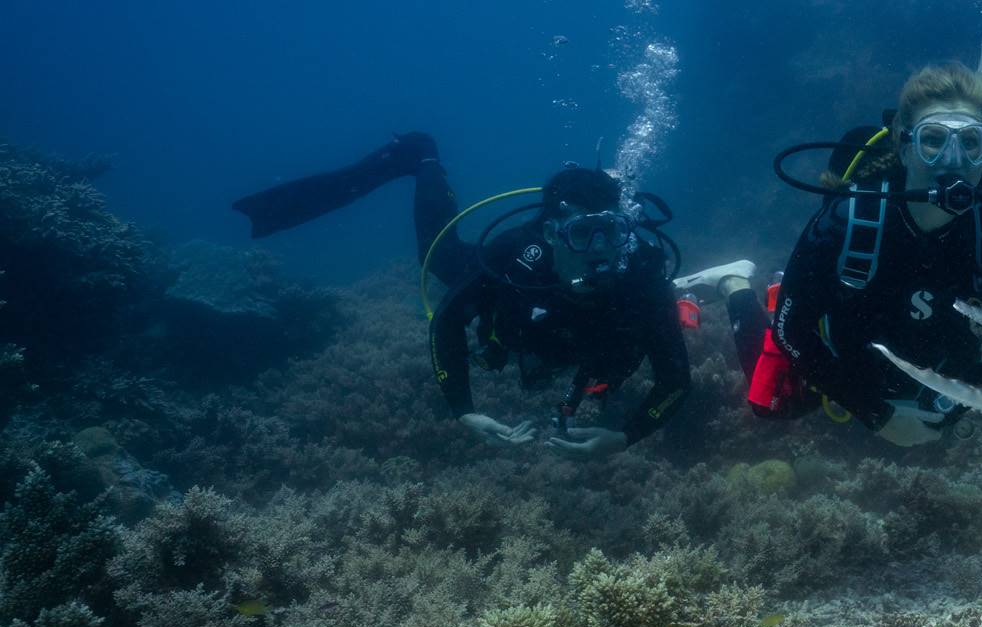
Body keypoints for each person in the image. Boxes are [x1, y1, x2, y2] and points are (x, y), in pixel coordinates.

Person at [232, 133, 691, 456]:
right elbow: (448, 320)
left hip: (564, 338)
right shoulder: (514, 257)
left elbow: (675, 379)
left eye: (610, 232)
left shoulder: (641, 273)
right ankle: (421, 156)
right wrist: (463, 412)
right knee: (439, 260)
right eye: (583, 234)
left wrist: (625, 437)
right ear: (551, 233)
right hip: (513, 287)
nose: (600, 251)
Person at [678, 63, 982, 446]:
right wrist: (877, 414)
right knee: (773, 404)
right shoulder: (850, 221)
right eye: (933, 140)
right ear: (904, 145)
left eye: (971, 142)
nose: (954, 160)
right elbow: (792, 330)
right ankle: (735, 283)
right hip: (848, 361)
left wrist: (955, 406)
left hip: (940, 374)